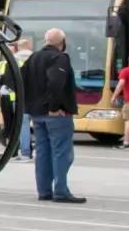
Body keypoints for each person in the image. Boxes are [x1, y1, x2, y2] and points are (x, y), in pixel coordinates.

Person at [24, 27, 83, 204]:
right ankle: (61, 191)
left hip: (37, 113)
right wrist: (54, 106)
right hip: (56, 114)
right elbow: (56, 82)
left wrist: (31, 105)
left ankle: (44, 191)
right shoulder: (60, 58)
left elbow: (18, 80)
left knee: (42, 152)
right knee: (62, 153)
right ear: (61, 43)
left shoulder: (33, 58)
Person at [12, 37, 34, 160]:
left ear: (19, 47)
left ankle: (25, 153)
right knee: (39, 125)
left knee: (23, 125)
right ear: (29, 46)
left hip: (21, 97)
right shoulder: (36, 57)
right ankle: (36, 152)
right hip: (35, 97)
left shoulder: (14, 58)